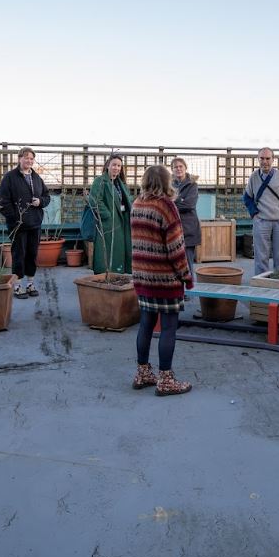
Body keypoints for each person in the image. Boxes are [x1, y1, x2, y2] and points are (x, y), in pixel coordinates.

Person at [131, 165, 194, 396]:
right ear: (166, 182)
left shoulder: (137, 204)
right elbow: (176, 249)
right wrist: (186, 277)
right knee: (168, 328)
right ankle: (166, 380)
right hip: (165, 279)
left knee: (146, 325)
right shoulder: (167, 206)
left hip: (142, 277)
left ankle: (143, 373)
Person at [0, 147, 51, 299]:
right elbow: (2, 202)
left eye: (31, 158)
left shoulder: (36, 177)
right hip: (18, 225)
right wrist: (15, 218)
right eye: (26, 157)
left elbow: (47, 196)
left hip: (35, 223)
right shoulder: (10, 177)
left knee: (32, 254)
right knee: (18, 254)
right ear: (19, 158)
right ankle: (18, 285)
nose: (29, 161)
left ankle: (30, 283)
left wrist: (40, 201)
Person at [243, 147, 279, 275]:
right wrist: (254, 214)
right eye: (262, 158)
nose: (264, 161)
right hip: (261, 221)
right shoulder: (254, 176)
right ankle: (261, 283)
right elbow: (247, 197)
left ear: (273, 159)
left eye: (267, 158)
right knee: (260, 256)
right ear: (258, 159)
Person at [88, 154, 133, 275]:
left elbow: (127, 199)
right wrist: (107, 215)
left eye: (119, 166)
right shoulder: (100, 181)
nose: (116, 168)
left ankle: (118, 273)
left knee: (119, 249)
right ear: (108, 165)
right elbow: (95, 200)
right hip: (109, 222)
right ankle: (106, 275)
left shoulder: (121, 183)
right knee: (107, 251)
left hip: (122, 220)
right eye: (114, 165)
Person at [170, 157, 200, 273]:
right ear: (172, 170)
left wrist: (173, 201)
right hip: (173, 230)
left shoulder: (192, 185)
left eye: (180, 166)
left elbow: (189, 205)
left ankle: (189, 291)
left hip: (188, 229)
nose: (178, 169)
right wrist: (180, 200)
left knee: (187, 265)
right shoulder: (169, 184)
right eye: (175, 167)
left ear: (185, 168)